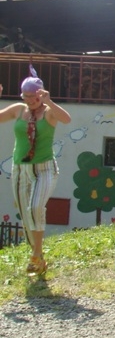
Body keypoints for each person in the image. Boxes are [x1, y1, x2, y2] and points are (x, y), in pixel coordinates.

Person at [0, 66, 71, 276]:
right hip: (20, 169)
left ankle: (36, 253)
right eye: (26, 95)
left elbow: (66, 119)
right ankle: (37, 258)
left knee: (35, 207)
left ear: (41, 94)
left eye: (33, 96)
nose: (30, 100)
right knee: (26, 215)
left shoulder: (48, 112)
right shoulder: (18, 110)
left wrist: (49, 101)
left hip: (44, 169)